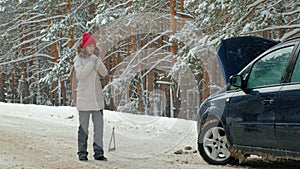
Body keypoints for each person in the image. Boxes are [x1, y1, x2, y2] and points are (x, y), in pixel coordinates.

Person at [74, 32, 108, 161]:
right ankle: (82, 153)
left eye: (93, 46)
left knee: (98, 128)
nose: (91, 48)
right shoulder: (78, 59)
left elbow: (104, 73)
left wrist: (97, 62)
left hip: (97, 99)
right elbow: (81, 75)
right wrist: (91, 63)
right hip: (84, 98)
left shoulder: (96, 58)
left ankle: (98, 153)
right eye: (89, 46)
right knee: (83, 128)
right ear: (84, 47)